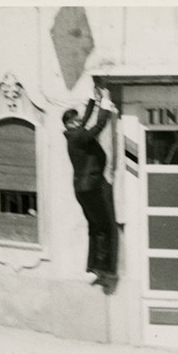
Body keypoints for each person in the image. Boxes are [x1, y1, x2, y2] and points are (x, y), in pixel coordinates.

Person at [63, 83, 118, 291]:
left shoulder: (73, 134)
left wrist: (92, 100)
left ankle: (93, 266)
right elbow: (98, 127)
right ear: (69, 124)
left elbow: (85, 121)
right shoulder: (78, 136)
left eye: (78, 119)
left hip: (81, 188)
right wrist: (104, 103)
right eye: (75, 120)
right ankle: (103, 268)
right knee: (104, 227)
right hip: (90, 186)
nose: (79, 122)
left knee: (94, 226)